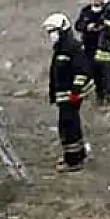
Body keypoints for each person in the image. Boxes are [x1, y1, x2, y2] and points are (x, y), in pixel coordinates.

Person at [42, 12, 95, 172]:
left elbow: (82, 72)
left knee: (68, 127)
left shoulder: (71, 47)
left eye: (53, 31)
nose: (51, 35)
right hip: (64, 96)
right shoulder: (61, 47)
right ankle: (78, 154)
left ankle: (73, 161)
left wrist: (75, 91)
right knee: (71, 125)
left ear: (62, 30)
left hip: (70, 96)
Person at [74, 0, 107, 105]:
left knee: (101, 73)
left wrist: (100, 27)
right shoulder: (86, 11)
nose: (95, 1)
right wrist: (86, 27)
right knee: (86, 71)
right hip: (88, 46)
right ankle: (81, 93)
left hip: (102, 47)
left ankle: (101, 96)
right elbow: (77, 26)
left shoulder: (106, 12)